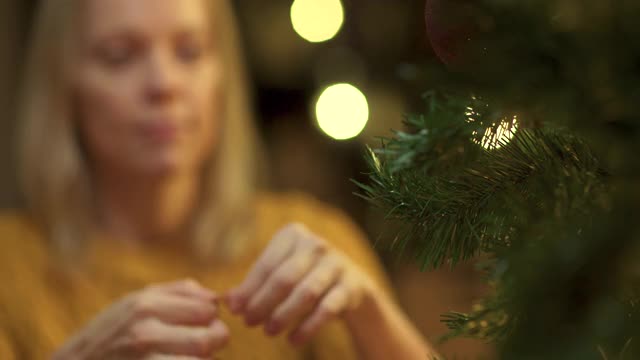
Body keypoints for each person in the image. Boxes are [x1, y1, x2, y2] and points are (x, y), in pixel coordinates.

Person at [0, 0, 438, 359]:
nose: (163, 83)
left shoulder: (312, 244)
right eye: (120, 55)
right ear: (64, 84)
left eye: (189, 52)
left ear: (222, 75)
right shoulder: (12, 267)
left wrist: (373, 315)